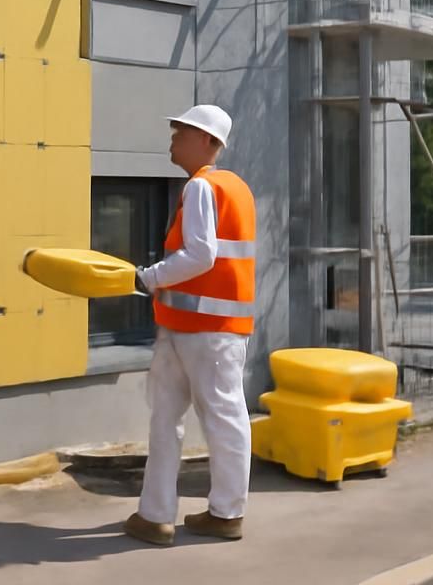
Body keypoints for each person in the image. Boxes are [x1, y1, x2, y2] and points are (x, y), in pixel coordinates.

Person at [124, 104, 257, 547]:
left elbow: (202, 255)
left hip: (198, 329)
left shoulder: (202, 187)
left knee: (178, 419)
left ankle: (160, 516)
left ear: (206, 141)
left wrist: (150, 277)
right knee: (221, 417)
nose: (172, 139)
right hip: (206, 329)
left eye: (181, 132)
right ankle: (221, 512)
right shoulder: (234, 188)